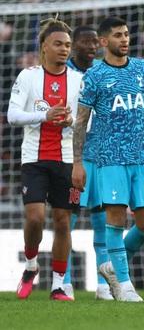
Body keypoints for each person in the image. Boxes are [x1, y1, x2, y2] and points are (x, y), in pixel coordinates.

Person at [71, 17, 144, 302]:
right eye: (118, 35)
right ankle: (124, 285)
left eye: (126, 34)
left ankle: (112, 265)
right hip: (109, 158)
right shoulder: (95, 75)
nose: (125, 39)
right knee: (116, 218)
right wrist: (77, 162)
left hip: (141, 157)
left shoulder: (142, 68)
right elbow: (81, 122)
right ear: (104, 42)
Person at [8, 17, 82, 301]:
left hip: (67, 160)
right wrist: (45, 115)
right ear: (43, 47)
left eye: (67, 45)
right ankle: (30, 265)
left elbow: (88, 122)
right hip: (34, 159)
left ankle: (59, 285)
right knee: (36, 218)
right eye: (58, 44)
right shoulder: (28, 76)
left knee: (63, 222)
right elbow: (13, 115)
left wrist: (72, 120)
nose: (64, 50)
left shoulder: (78, 80)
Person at [63, 26, 114, 300]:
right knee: (67, 219)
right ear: (74, 46)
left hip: (103, 156)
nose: (93, 46)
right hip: (74, 156)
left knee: (102, 222)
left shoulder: (104, 72)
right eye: (86, 41)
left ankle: (104, 286)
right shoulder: (65, 75)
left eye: (96, 41)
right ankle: (65, 281)